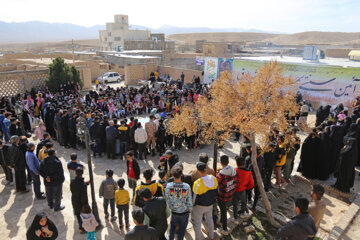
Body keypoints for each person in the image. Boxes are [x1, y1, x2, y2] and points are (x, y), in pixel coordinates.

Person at [165, 166, 193, 240]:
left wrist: (172, 208)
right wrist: (190, 210)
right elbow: (189, 201)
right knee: (182, 230)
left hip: (174, 212)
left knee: (172, 229)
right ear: (181, 174)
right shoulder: (187, 187)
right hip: (184, 212)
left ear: (172, 175)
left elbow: (167, 199)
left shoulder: (168, 186)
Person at [192, 162, 218, 240]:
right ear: (206, 169)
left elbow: (194, 197)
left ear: (198, 171)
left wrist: (192, 206)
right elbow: (217, 191)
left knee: (197, 224)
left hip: (199, 207)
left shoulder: (197, 183)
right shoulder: (214, 178)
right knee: (209, 219)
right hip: (210, 204)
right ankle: (212, 237)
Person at [216, 155, 238, 235]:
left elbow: (216, 186)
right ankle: (222, 220)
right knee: (224, 209)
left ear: (220, 163)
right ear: (228, 162)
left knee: (223, 211)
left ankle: (224, 229)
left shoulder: (220, 175)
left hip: (222, 196)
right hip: (231, 194)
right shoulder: (234, 170)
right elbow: (236, 182)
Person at [234, 156, 254, 220]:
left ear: (236, 163)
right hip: (243, 190)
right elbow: (251, 184)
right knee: (243, 202)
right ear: (244, 163)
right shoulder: (248, 172)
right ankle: (242, 213)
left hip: (234, 190)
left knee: (235, 203)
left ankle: (235, 217)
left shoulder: (234, 171)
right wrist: (246, 188)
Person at [70, 167, 89, 233]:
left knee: (78, 215)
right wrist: (86, 205)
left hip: (74, 201)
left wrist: (86, 183)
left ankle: (80, 228)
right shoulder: (83, 185)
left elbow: (73, 189)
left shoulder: (72, 182)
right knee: (83, 216)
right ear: (82, 173)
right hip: (81, 204)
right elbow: (84, 196)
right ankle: (82, 228)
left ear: (75, 173)